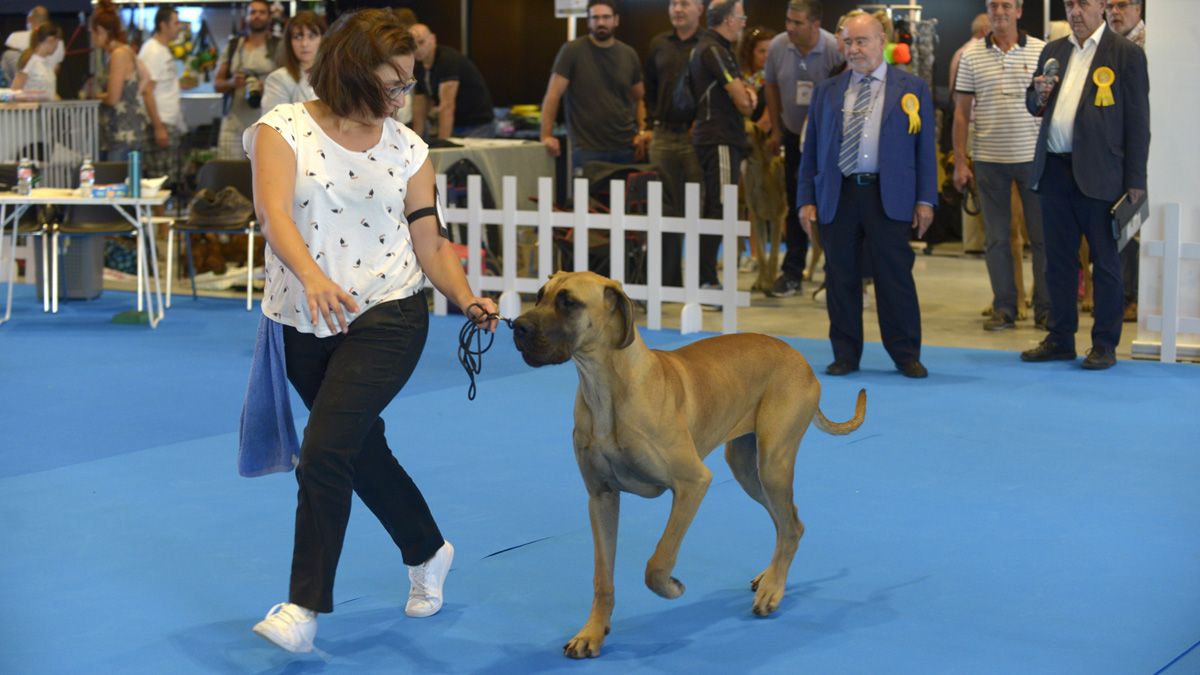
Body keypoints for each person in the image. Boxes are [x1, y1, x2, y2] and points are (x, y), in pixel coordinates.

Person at [243, 8, 498, 653]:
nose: (402, 96)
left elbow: (429, 240)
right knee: (359, 450)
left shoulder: (410, 149)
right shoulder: (282, 129)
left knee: (326, 449)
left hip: (391, 314)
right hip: (302, 318)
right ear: (353, 70)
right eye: (394, 82)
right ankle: (428, 549)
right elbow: (274, 218)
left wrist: (466, 295)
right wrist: (313, 278)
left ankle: (303, 608)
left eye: (409, 83)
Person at [797, 13, 936, 379]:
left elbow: (925, 151)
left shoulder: (913, 88)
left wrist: (925, 200)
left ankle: (906, 354)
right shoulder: (826, 91)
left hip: (889, 196)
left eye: (862, 41)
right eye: (848, 42)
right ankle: (845, 354)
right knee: (840, 277)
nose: (854, 49)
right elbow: (810, 151)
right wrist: (805, 198)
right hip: (838, 195)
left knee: (895, 278)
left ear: (882, 41)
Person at [1022, 0, 1149, 370]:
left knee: (1106, 263)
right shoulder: (1053, 50)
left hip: (1102, 175)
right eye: (1069, 4)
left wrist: (1135, 182)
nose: (1075, 12)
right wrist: (1037, 96)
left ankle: (1104, 345)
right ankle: (1060, 338)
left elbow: (1139, 123)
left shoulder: (1125, 54)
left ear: (1102, 8)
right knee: (1058, 262)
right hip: (1054, 172)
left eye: (1084, 4)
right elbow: (1035, 104)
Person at [953, 0, 1048, 332]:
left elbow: (1051, 107)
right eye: (994, 6)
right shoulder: (971, 55)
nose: (1000, 12)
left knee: (1041, 238)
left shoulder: (1041, 51)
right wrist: (960, 162)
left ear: (1019, 11)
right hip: (989, 161)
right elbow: (962, 113)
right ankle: (1004, 307)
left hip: (1033, 160)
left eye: (1007, 5)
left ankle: (1045, 310)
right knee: (995, 239)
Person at [763, 0, 843, 297]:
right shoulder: (778, 47)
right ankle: (792, 272)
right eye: (788, 21)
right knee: (797, 204)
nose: (790, 27)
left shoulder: (835, 48)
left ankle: (834, 274)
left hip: (829, 144)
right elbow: (770, 86)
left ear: (815, 24)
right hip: (794, 138)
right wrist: (775, 128)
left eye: (797, 23)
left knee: (830, 207)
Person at [690, 0, 756, 290]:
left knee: (718, 205)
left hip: (718, 137)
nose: (744, 22)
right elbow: (745, 102)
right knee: (720, 206)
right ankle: (705, 278)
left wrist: (745, 94)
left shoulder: (713, 47)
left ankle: (705, 275)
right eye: (741, 17)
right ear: (728, 19)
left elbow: (744, 94)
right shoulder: (714, 50)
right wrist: (747, 96)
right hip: (719, 138)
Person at [641, 0, 705, 288]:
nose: (678, 9)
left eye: (686, 4)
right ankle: (668, 279)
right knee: (664, 208)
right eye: (674, 3)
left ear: (700, 10)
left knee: (698, 207)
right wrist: (651, 122)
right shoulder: (658, 43)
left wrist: (700, 122)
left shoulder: (708, 44)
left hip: (696, 137)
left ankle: (700, 276)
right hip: (663, 135)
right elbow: (649, 88)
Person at [540, 0, 645, 172]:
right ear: (588, 21)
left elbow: (640, 98)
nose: (601, 22)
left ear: (616, 20)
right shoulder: (571, 51)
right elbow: (552, 95)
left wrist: (642, 132)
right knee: (587, 199)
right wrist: (546, 135)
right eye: (595, 18)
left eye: (606, 17)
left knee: (624, 198)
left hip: (625, 147)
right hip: (587, 148)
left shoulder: (629, 54)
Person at [1105, 0, 1145, 322]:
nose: (1115, 12)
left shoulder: (1147, 47)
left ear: (1139, 9)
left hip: (1141, 152)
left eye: (1122, 5)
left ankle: (1132, 297)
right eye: (1109, 5)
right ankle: (1120, 295)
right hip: (1110, 154)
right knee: (1120, 229)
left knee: (1133, 229)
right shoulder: (1104, 46)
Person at [214, 0, 279, 159]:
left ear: (269, 17)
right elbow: (217, 84)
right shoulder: (233, 46)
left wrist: (268, 86)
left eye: (262, 12)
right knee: (230, 173)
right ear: (247, 16)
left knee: (264, 172)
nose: (257, 16)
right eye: (253, 12)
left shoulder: (278, 46)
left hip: (267, 121)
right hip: (233, 122)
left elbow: (289, 80)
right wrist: (231, 83)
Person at [949, 13, 991, 255]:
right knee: (976, 185)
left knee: (972, 186)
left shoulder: (959, 52)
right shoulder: (974, 53)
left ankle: (973, 242)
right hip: (976, 124)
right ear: (986, 30)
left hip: (967, 123)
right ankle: (978, 241)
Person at [89, 0, 153, 161]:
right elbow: (146, 77)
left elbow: (113, 98)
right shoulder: (126, 50)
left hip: (122, 134)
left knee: (117, 183)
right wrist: (132, 95)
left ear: (100, 31)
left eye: (92, 32)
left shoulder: (118, 54)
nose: (92, 37)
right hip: (127, 131)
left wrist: (97, 96)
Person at [409, 23, 495, 140]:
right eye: (412, 45)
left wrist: (442, 145)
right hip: (456, 124)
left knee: (450, 154)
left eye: (421, 42)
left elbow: (447, 106)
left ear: (433, 39)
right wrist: (414, 143)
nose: (417, 49)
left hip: (477, 125)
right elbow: (420, 107)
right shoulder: (418, 65)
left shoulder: (447, 60)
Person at [139, 7, 195, 184]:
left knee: (170, 179)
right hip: (160, 122)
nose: (179, 27)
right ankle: (157, 213)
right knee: (159, 181)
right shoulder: (153, 50)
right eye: (176, 23)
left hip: (169, 122)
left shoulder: (163, 50)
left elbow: (162, 86)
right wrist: (158, 127)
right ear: (163, 25)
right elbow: (147, 90)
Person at [261, 10, 326, 112]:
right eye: (298, 37)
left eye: (311, 36)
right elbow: (272, 125)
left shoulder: (336, 76)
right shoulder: (278, 78)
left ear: (323, 39)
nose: (304, 44)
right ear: (289, 42)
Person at [3, 5, 65, 86]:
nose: (57, 45)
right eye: (55, 41)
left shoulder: (47, 68)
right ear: (48, 41)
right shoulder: (30, 64)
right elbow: (16, 89)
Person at [11, 22, 61, 98]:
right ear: (50, 39)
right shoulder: (29, 61)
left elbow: (48, 92)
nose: (57, 45)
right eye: (57, 41)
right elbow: (14, 91)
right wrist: (37, 96)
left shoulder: (47, 64)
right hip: (31, 108)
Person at [737, 26, 774, 129]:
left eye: (770, 51)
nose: (767, 55)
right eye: (762, 51)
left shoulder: (775, 79)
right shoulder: (736, 77)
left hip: (759, 139)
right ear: (748, 53)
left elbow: (767, 122)